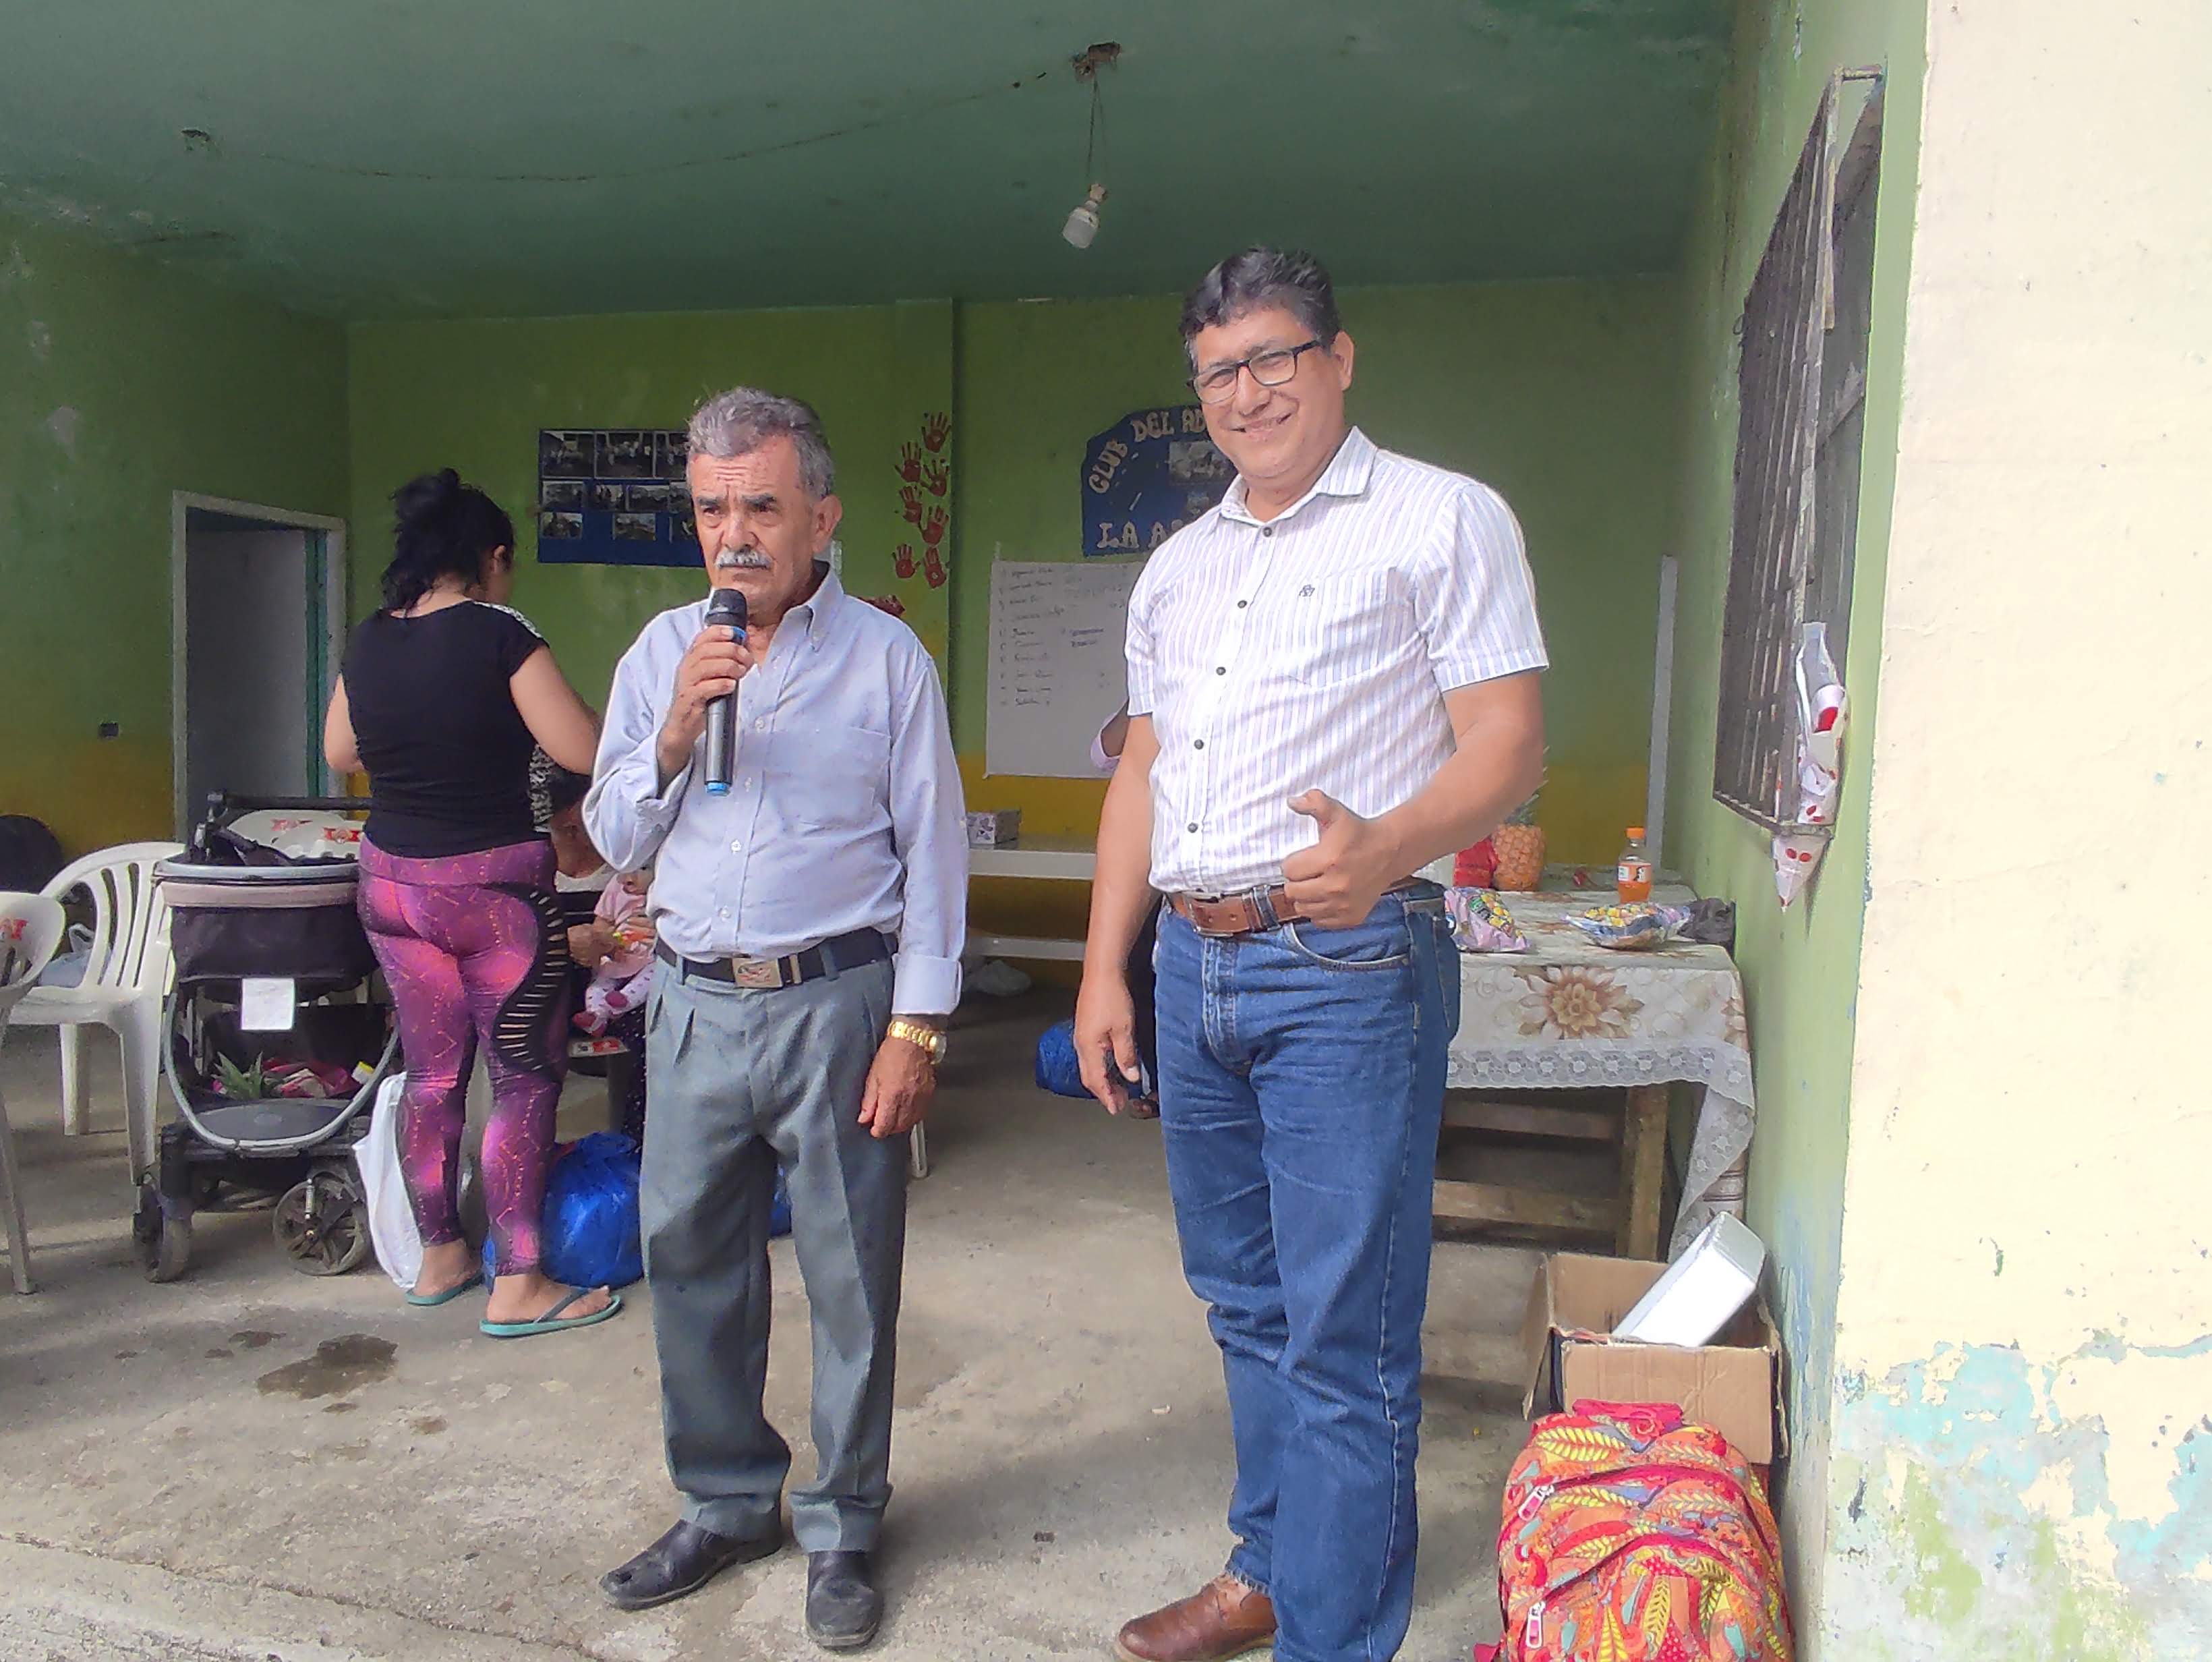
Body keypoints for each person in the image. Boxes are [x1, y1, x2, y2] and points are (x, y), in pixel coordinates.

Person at [1075, 249, 1548, 1662]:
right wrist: (1103, 970)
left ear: (1338, 360)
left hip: (1348, 960)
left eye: (1273, 356)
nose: (1247, 390)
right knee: (1243, 1300)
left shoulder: (1440, 517)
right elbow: (1141, 772)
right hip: (1191, 963)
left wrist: (1389, 845)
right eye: (1218, 370)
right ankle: (1271, 1566)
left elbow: (1509, 744)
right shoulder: (1178, 567)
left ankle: (1329, 1637)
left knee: (1345, 1329)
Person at [586, 389, 966, 1649]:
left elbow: (935, 855)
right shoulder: (663, 652)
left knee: (851, 1275)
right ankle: (726, 1499)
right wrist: (676, 730)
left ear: (822, 516)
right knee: (691, 1261)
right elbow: (614, 837)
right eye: (711, 509)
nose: (734, 533)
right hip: (693, 1004)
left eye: (761, 504)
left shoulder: (888, 661)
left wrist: (917, 1029)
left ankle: (845, 1523)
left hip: (836, 1006)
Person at [324, 469, 622, 1340]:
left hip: (392, 887)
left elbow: (341, 753)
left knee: (434, 1075)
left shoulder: (369, 639)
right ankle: (520, 1281)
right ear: (492, 558)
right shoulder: (502, 635)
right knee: (524, 1078)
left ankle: (440, 1257)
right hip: (492, 893)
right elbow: (581, 750)